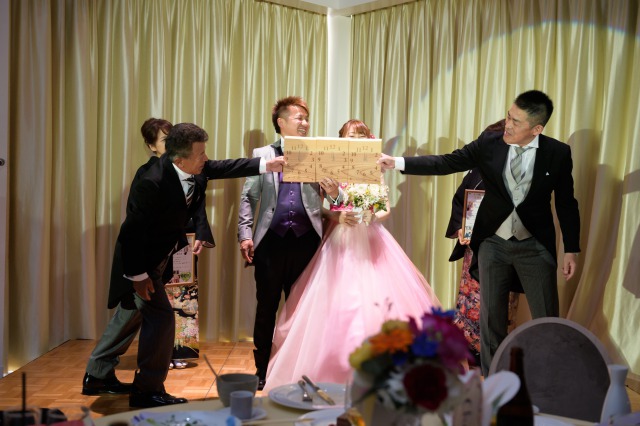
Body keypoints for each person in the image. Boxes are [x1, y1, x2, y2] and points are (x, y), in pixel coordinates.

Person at [379, 90, 581, 375]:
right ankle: (494, 379)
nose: (507, 125)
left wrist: (571, 248)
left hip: (534, 245)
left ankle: (549, 381)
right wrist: (397, 162)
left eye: (516, 122)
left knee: (546, 318)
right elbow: (447, 162)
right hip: (493, 243)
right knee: (490, 320)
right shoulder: (490, 143)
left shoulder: (557, 153)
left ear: (536, 129)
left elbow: (566, 203)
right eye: (508, 116)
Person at [84, 122, 285, 407]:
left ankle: (97, 374)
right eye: (201, 154)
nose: (206, 159)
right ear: (179, 159)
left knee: (129, 316)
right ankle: (147, 391)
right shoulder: (151, 182)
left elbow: (225, 167)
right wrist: (139, 277)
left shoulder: (194, 167)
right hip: (140, 263)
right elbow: (132, 234)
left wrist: (267, 164)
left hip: (158, 259)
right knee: (162, 320)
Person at [263, 119, 441, 391]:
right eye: (350, 135)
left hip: (372, 240)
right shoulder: (332, 167)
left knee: (378, 301)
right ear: (342, 139)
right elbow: (324, 207)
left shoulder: (374, 167)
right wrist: (337, 210)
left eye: (360, 135)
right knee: (337, 302)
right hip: (341, 240)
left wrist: (372, 215)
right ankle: (335, 370)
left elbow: (384, 208)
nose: (356, 139)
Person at [237, 96, 342, 390]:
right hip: (270, 242)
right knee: (266, 307)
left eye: (307, 118)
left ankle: (296, 368)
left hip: (307, 242)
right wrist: (245, 234)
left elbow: (335, 199)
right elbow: (249, 197)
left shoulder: (318, 153)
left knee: (302, 310)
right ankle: (262, 369)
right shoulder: (263, 154)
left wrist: (334, 192)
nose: (305, 123)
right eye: (299, 118)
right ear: (281, 122)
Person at [446, 120, 522, 367]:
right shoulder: (477, 170)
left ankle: (496, 352)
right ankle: (470, 350)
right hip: (475, 248)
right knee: (472, 299)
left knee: (499, 300)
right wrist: (460, 228)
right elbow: (460, 201)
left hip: (505, 247)